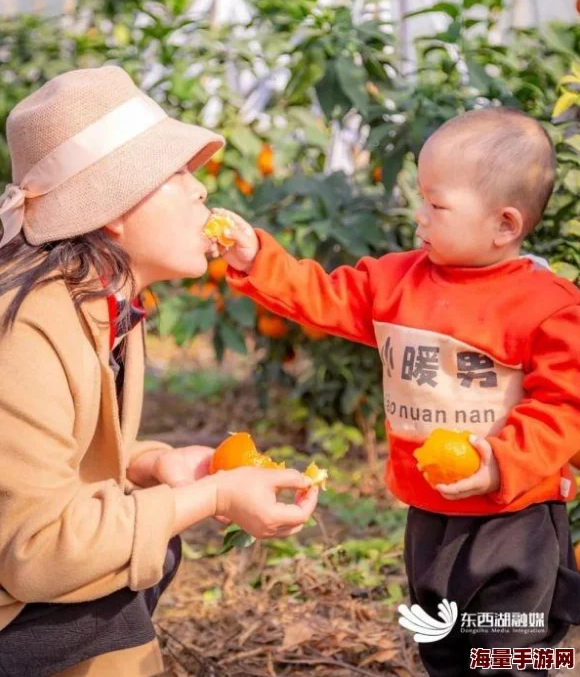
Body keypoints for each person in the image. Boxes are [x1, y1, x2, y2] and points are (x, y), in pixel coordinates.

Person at [212, 108, 580, 677]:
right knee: (444, 645)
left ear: (505, 225)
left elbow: (564, 407)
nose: (419, 216)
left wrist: (501, 464)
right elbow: (323, 295)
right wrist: (258, 260)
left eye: (436, 205)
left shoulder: (548, 306)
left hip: (515, 517)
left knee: (507, 656)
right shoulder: (397, 281)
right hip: (428, 510)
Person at [0, 65, 318, 677]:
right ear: (115, 210)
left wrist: (152, 463)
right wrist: (214, 495)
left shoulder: (103, 301)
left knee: (147, 536)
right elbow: (35, 549)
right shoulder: (30, 327)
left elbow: (50, 458)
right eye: (177, 174)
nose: (201, 191)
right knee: (111, 594)